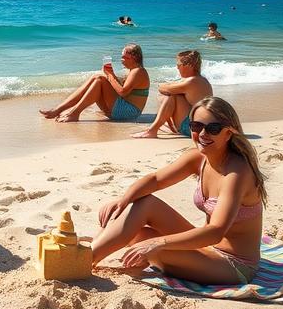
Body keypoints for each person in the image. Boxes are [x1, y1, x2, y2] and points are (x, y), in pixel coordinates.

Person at [92, 96, 266, 284]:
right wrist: (124, 200)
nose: (202, 134)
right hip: (207, 247)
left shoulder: (236, 173)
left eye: (213, 129)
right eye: (196, 126)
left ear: (228, 133)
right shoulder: (198, 159)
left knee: (144, 243)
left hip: (233, 264)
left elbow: (215, 231)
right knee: (141, 209)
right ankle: (87, 255)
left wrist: (158, 242)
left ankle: (82, 261)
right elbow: (156, 180)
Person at [39, 44, 150, 123]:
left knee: (99, 80)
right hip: (121, 110)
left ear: (134, 57)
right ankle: (59, 109)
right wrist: (110, 74)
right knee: (96, 77)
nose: (121, 60)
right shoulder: (133, 70)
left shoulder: (138, 71)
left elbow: (122, 92)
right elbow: (119, 88)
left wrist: (110, 75)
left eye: (124, 57)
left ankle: (74, 113)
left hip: (129, 112)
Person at [131, 50, 212, 139]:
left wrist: (162, 86)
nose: (177, 68)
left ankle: (152, 131)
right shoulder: (200, 80)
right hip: (199, 126)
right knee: (170, 96)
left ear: (189, 65)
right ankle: (162, 127)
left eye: (178, 65)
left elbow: (163, 88)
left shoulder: (192, 81)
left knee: (172, 95)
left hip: (194, 128)